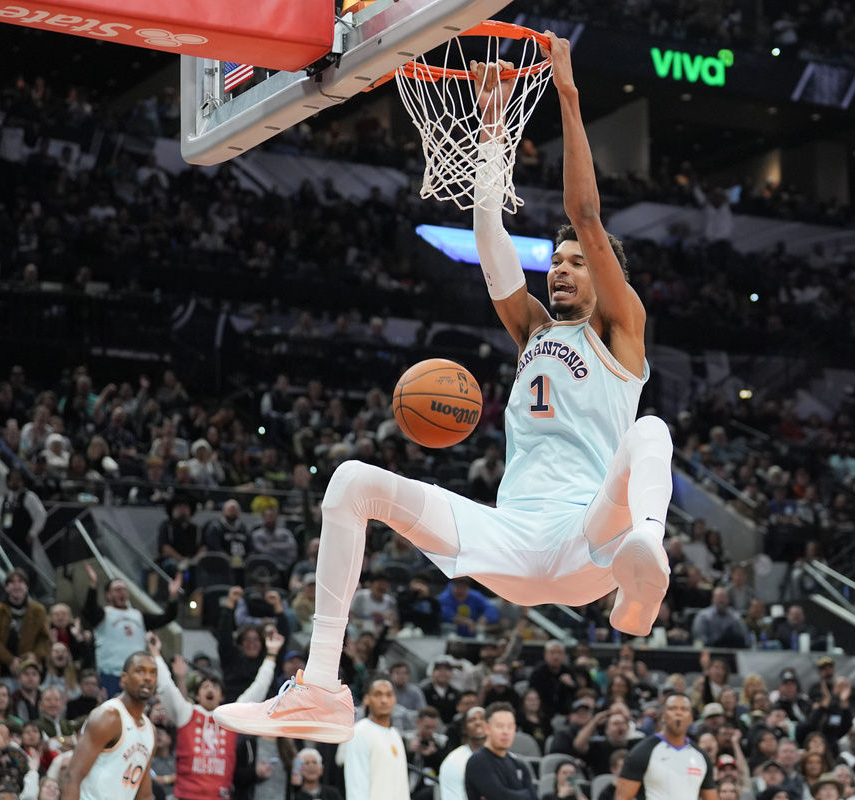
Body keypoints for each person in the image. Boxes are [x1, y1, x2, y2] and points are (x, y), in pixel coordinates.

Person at [214, 32, 673, 743]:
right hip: (513, 539)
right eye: (556, 261)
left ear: (607, 272)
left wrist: (570, 97)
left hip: (593, 540)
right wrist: (492, 131)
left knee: (651, 433)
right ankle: (323, 689)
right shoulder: (532, 332)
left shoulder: (621, 331)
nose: (562, 268)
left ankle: (646, 564)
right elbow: (489, 231)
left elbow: (586, 213)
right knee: (349, 483)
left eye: (578, 263)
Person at [147, 630, 281, 800]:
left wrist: (271, 654)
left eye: (214, 687)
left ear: (222, 696)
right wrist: (156, 654)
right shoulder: (186, 712)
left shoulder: (230, 717)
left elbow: (259, 687)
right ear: (197, 695)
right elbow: (166, 686)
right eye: (205, 687)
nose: (210, 689)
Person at [61, 650, 157, 800]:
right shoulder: (108, 717)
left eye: (153, 673)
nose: (147, 678)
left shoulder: (151, 731)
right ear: (124, 678)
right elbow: (72, 777)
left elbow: (144, 795)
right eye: (140, 671)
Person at [81, 563, 183, 698]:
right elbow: (89, 610)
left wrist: (173, 596)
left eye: (124, 589)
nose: (121, 592)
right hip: (112, 674)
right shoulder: (103, 614)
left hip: (138, 674)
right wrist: (93, 585)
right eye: (117, 590)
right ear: (108, 595)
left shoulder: (138, 615)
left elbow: (167, 617)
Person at [615, 693, 718, 800]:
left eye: (684, 709)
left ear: (691, 718)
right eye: (673, 708)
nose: (678, 713)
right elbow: (622, 797)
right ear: (663, 715)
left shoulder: (701, 757)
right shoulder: (642, 752)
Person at [337, 679, 410, 800]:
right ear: (367, 699)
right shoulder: (360, 733)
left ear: (394, 699)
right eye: (378, 694)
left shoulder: (395, 734)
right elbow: (356, 785)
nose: (384, 700)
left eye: (389, 695)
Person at [0, 569, 51, 679]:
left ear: (26, 587)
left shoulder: (38, 610)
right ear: (6, 587)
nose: (16, 586)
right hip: (1, 671)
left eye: (20, 582)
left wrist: (35, 656)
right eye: (12, 582)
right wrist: (10, 660)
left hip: (30, 670)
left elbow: (44, 638)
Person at [464, 702, 537, 800]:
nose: (506, 732)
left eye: (510, 726)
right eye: (500, 726)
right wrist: (525, 794)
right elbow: (500, 796)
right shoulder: (478, 761)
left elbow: (534, 796)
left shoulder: (519, 764)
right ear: (487, 728)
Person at [439, 707, 486, 800]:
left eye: (483, 718)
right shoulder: (453, 762)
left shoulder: (507, 758)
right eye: (472, 720)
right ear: (464, 729)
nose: (478, 722)